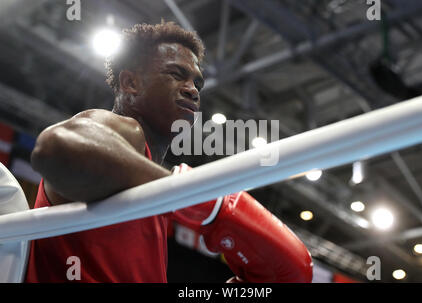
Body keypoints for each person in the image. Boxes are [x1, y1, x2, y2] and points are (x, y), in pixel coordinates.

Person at [25, 22, 313, 283]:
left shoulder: (148, 187)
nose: (193, 90)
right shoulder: (125, 131)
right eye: (177, 74)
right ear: (131, 83)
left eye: (197, 83)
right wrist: (197, 201)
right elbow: (56, 147)